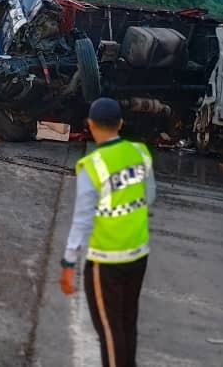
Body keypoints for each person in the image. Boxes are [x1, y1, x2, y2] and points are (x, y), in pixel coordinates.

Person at [60, 98, 156, 367]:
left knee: (110, 331)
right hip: (138, 254)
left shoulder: (93, 165)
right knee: (127, 324)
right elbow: (149, 196)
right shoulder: (140, 152)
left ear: (90, 126)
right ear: (121, 124)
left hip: (107, 260)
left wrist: (68, 261)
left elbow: (81, 219)